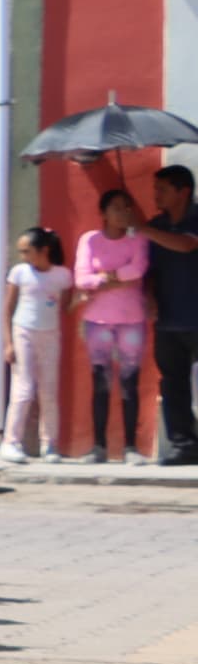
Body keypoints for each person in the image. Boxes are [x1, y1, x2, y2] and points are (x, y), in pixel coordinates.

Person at [75, 187, 151, 463]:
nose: (123, 212)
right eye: (117, 207)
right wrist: (110, 279)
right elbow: (82, 278)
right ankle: (99, 447)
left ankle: (131, 447)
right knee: (101, 382)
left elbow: (138, 270)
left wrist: (104, 277)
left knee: (130, 381)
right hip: (97, 321)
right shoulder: (90, 240)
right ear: (103, 213)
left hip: (131, 319)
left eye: (127, 207)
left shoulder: (138, 239)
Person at [142, 165, 198, 464]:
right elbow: (150, 271)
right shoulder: (156, 225)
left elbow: (187, 244)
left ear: (183, 191)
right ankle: (183, 446)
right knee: (172, 382)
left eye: (162, 189)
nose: (156, 195)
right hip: (168, 319)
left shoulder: (194, 219)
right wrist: (148, 295)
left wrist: (143, 229)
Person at [0, 224, 67, 463]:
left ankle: (50, 444)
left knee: (49, 390)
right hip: (24, 333)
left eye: (27, 251)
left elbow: (65, 307)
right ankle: (10, 442)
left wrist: (81, 299)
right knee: (23, 389)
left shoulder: (62, 276)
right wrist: (8, 343)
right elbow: (7, 309)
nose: (23, 257)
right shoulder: (20, 272)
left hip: (50, 335)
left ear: (44, 250)